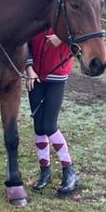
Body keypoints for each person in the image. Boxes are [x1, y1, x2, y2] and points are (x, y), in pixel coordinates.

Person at [25, 27, 78, 195]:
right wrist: (29, 68)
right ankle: (44, 172)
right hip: (35, 75)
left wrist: (61, 38)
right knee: (38, 127)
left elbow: (80, 39)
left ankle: (69, 171)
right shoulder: (36, 12)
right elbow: (24, 40)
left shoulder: (65, 10)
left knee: (49, 125)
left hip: (57, 73)